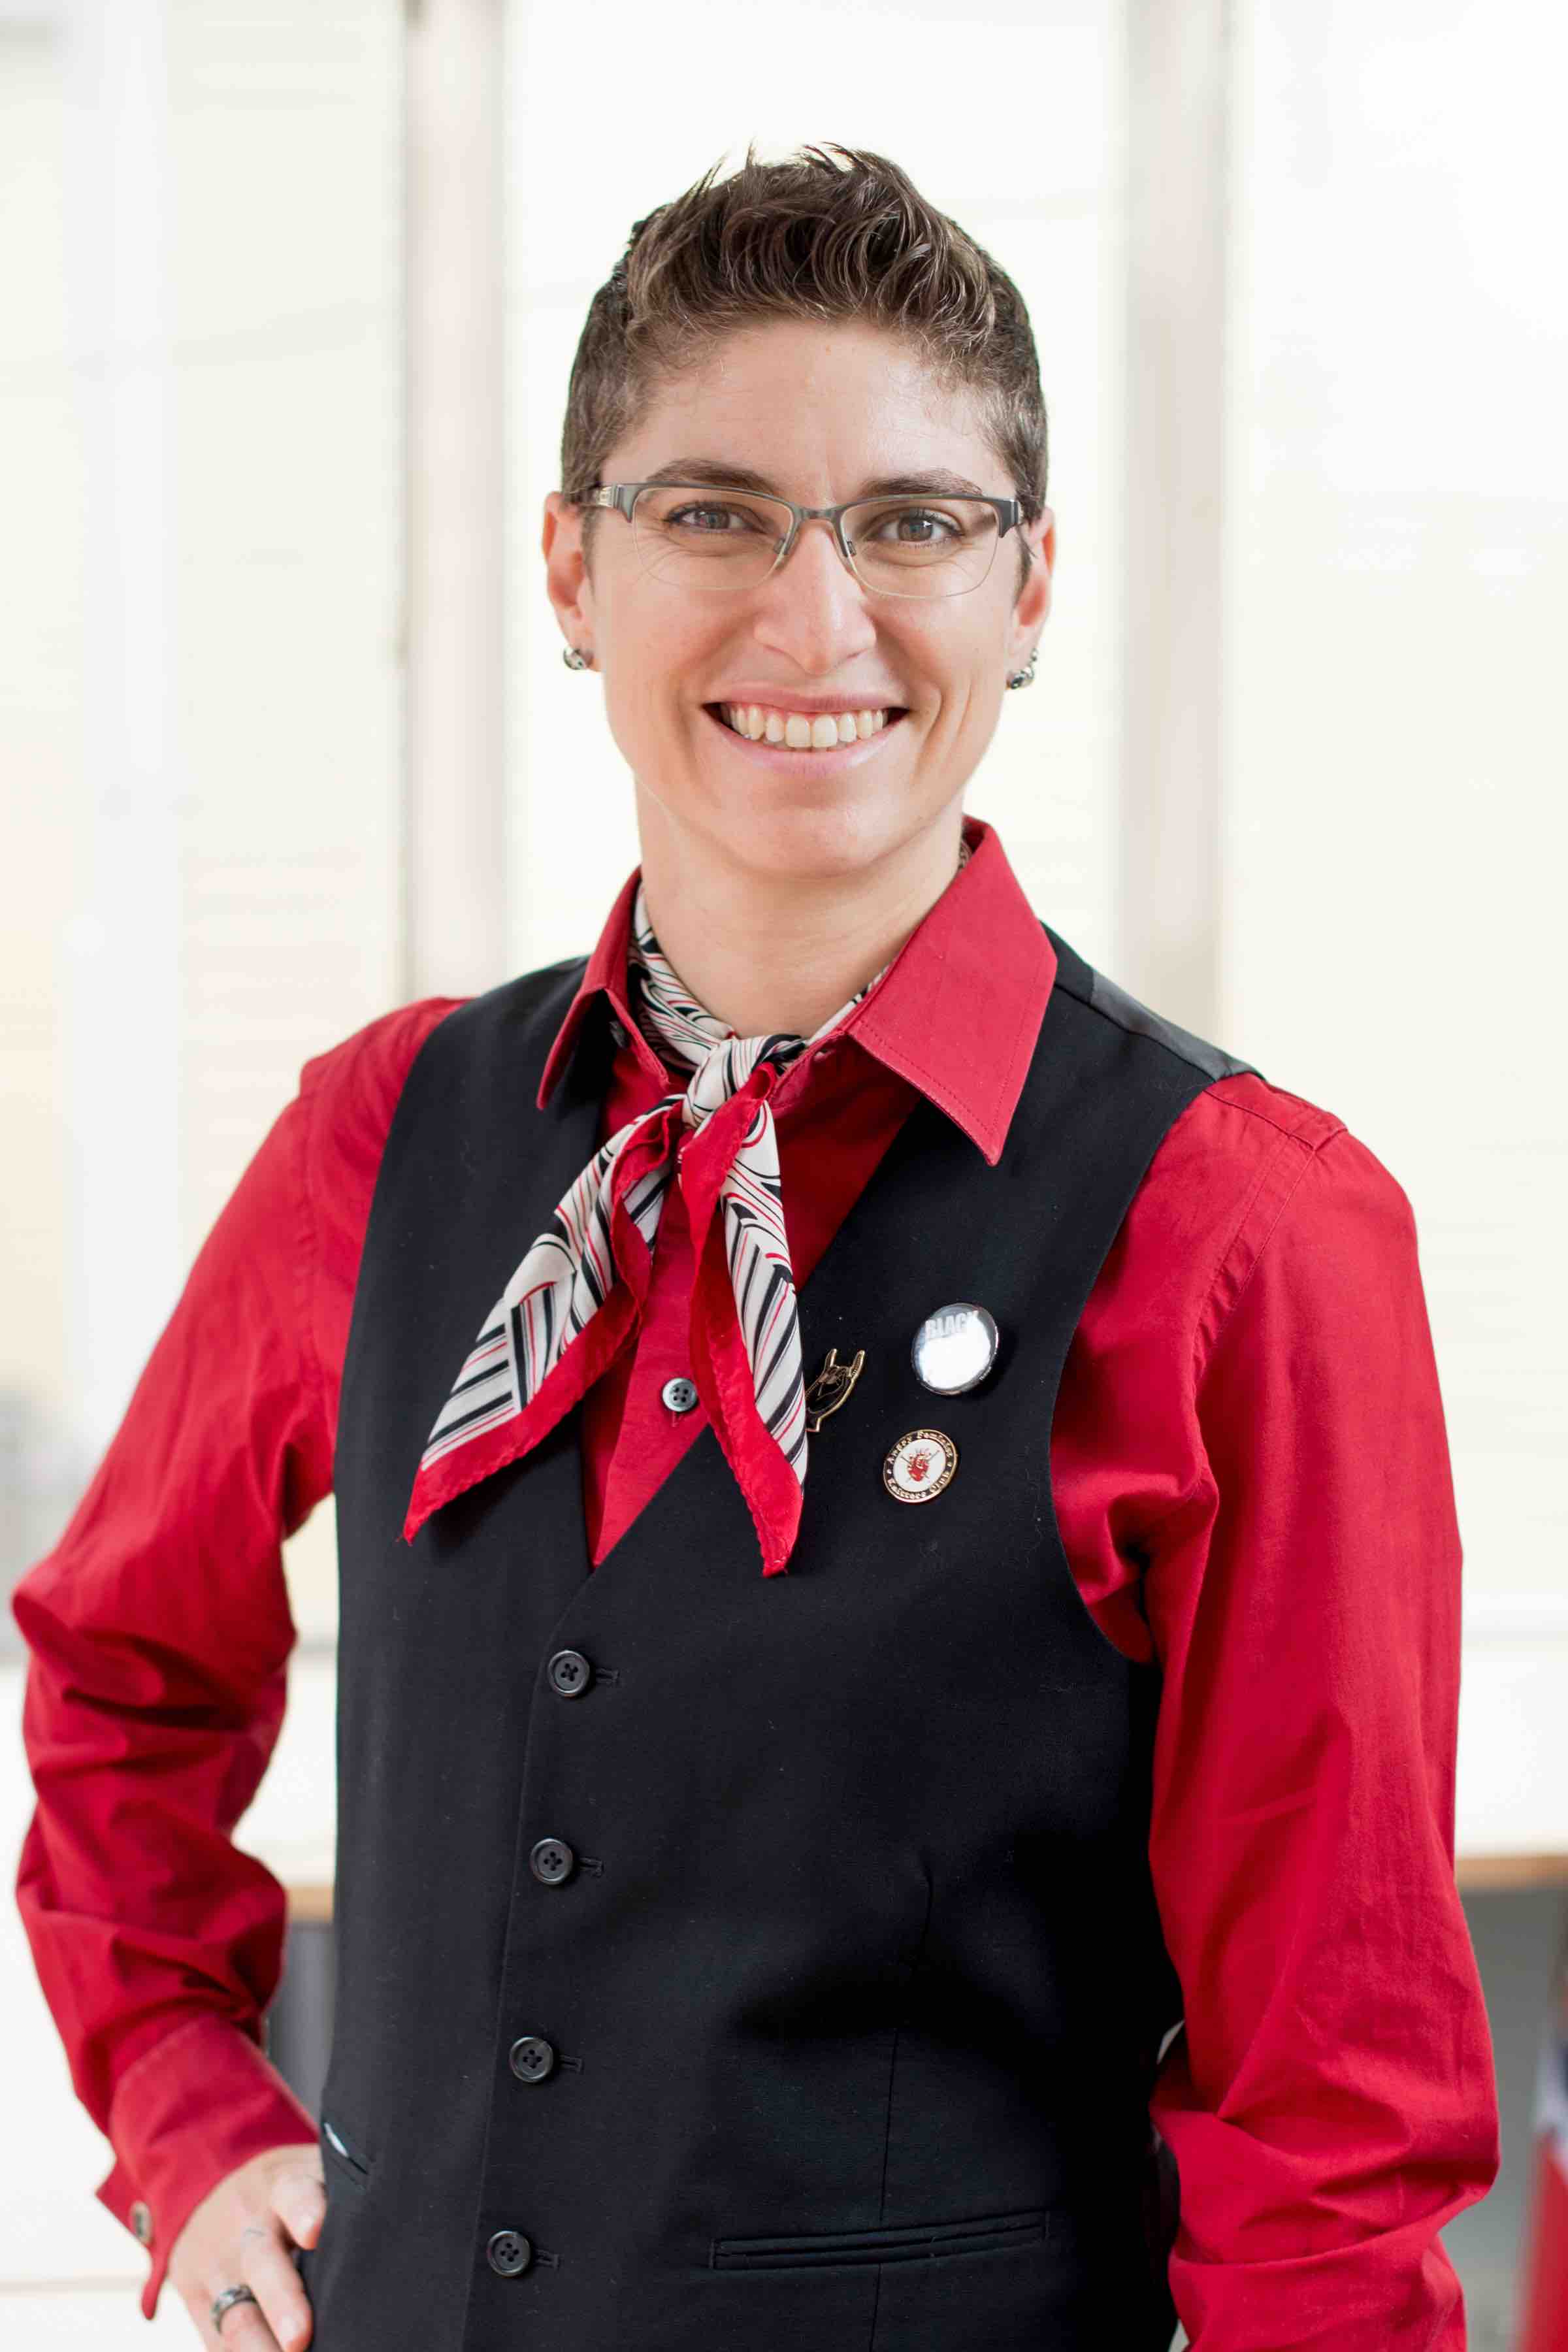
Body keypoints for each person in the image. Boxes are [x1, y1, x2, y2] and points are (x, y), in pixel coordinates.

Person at [12, 141, 1498, 2351]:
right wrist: (182, 2098)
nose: (818, 621)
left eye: (912, 523)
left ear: (1031, 588)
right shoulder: (386, 1136)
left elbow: (1333, 2112)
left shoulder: (1242, 1229)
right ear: (572, 571)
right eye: (715, 512)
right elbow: (122, 1671)